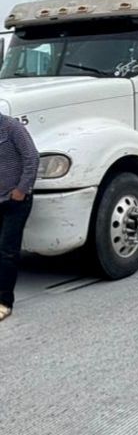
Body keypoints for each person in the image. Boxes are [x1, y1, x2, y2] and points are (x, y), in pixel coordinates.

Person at [0, 112, 39, 321]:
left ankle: (5, 302)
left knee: (7, 251)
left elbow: (31, 157)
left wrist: (21, 190)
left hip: (15, 200)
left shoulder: (11, 127)